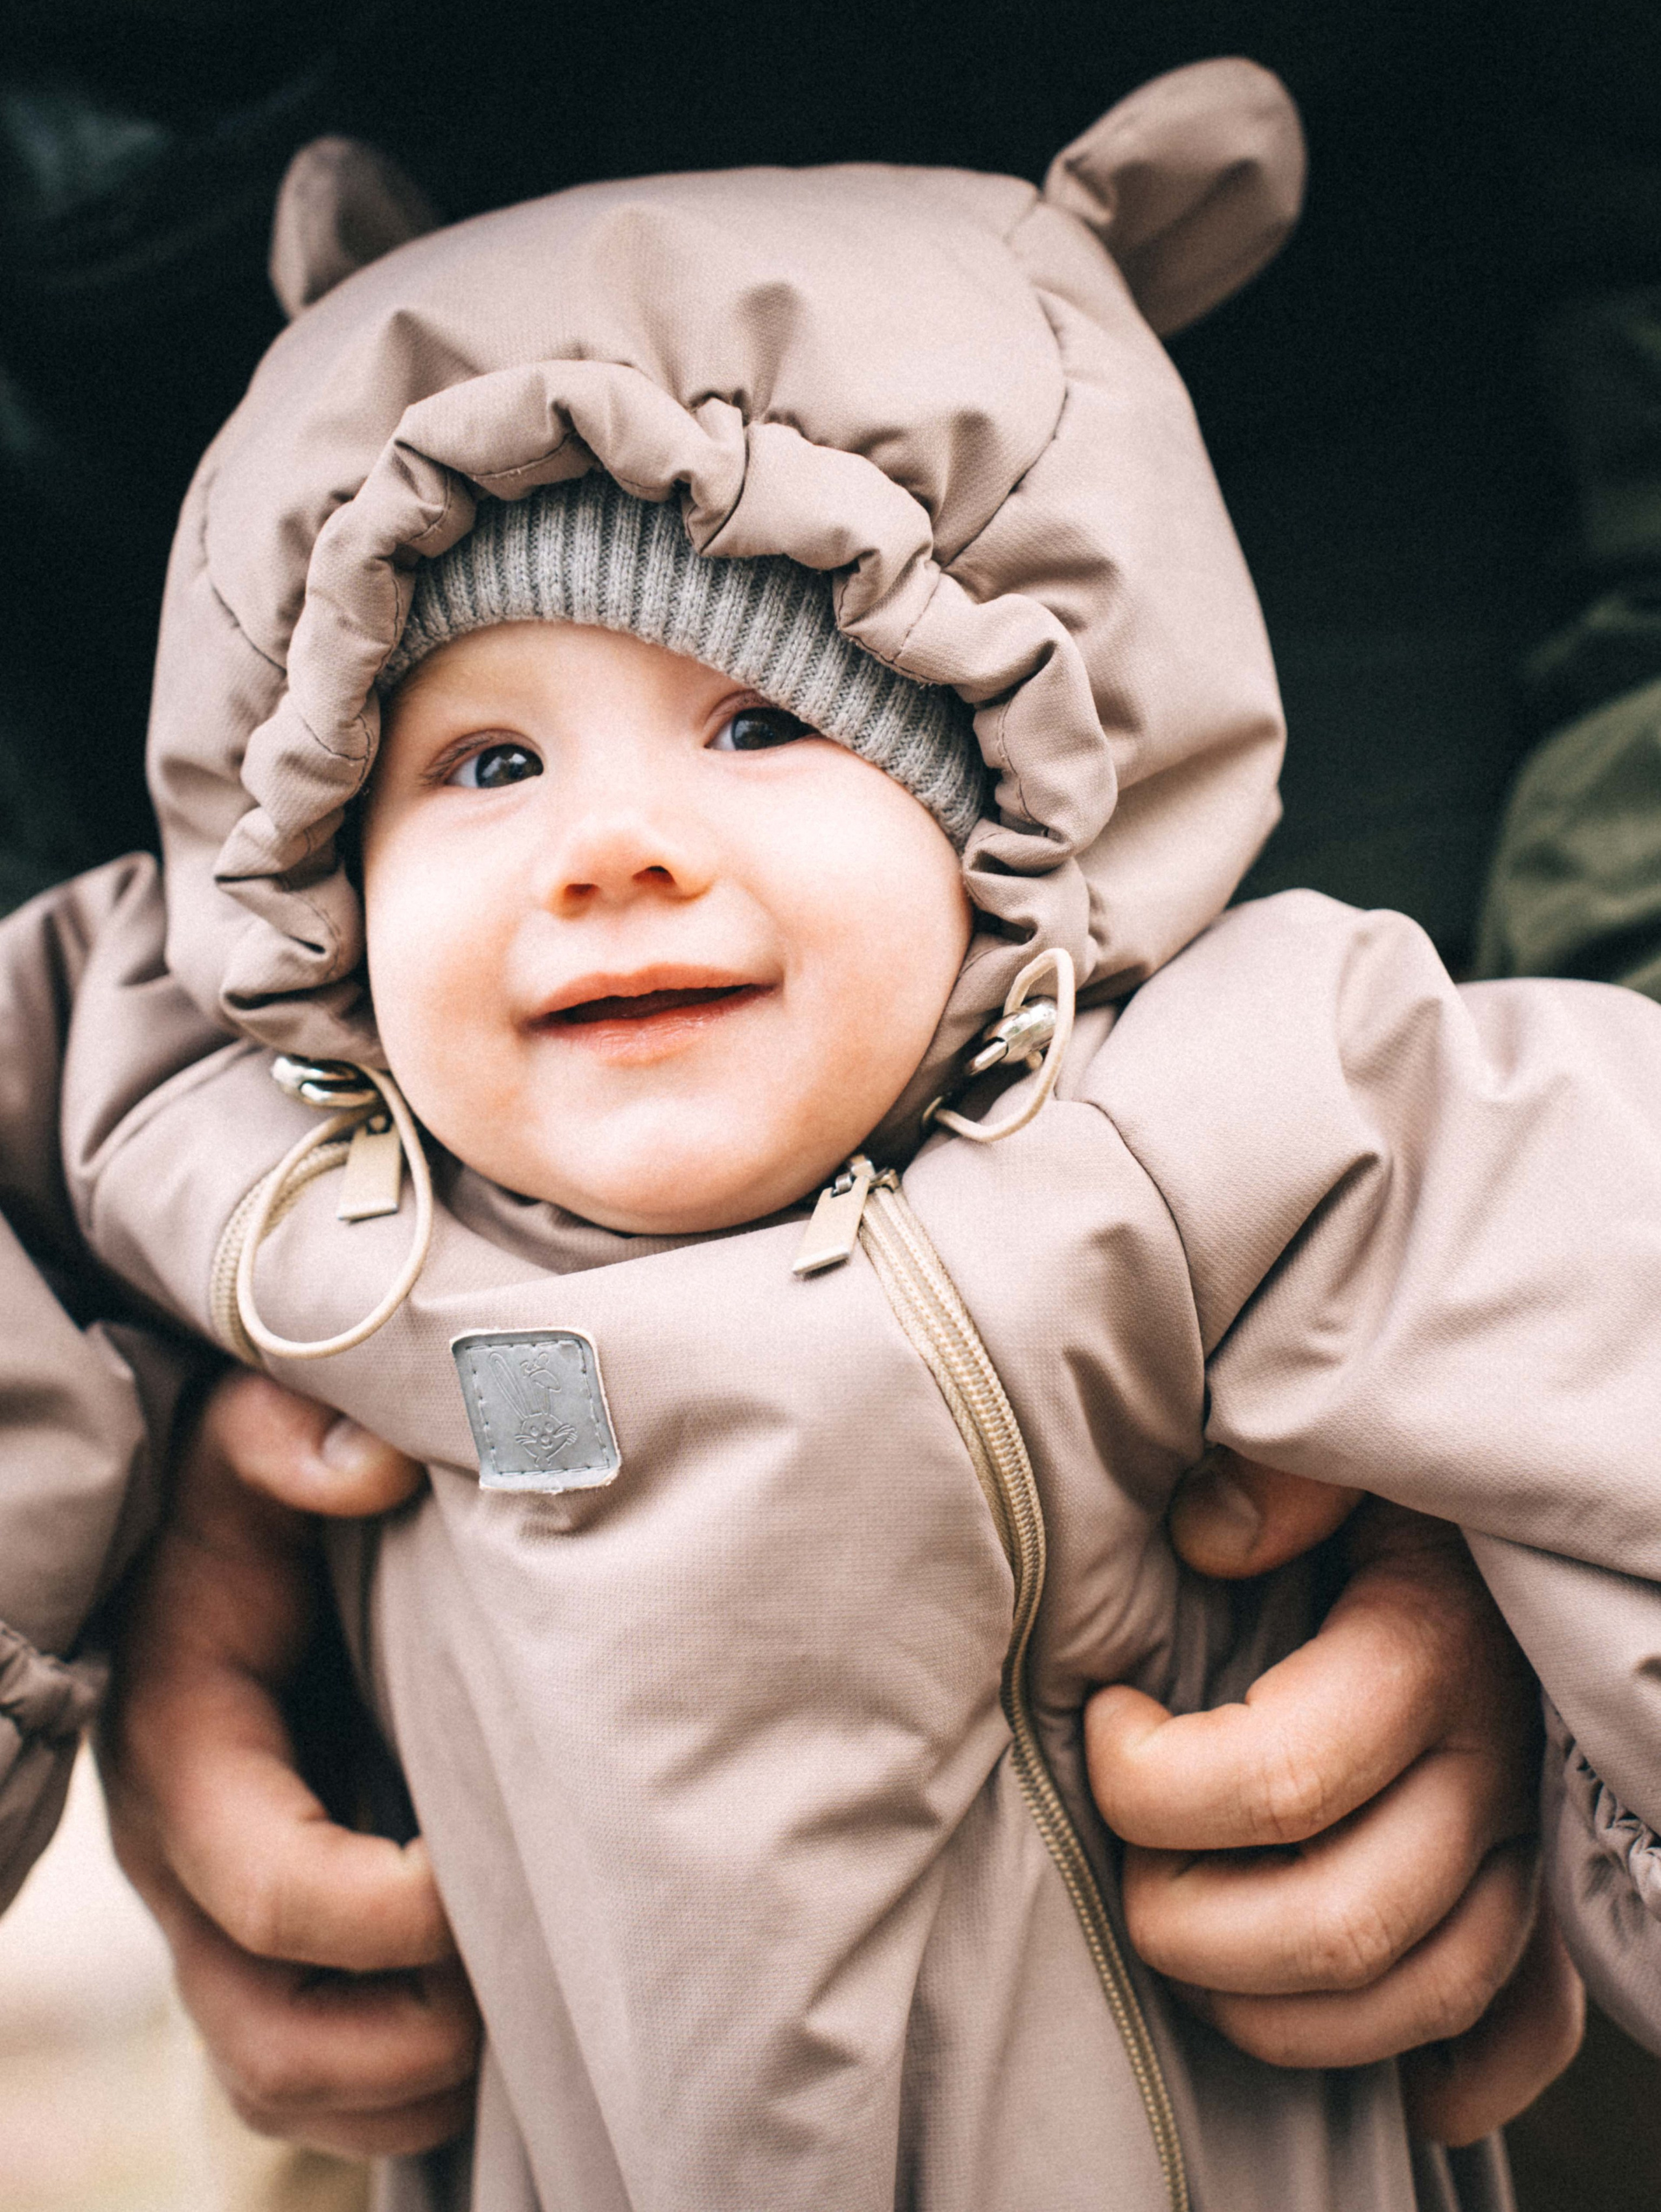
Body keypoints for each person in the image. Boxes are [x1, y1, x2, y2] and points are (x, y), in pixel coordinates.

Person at [3, 56, 1647, 2206]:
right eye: (486, 767)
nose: (607, 852)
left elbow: (1604, 1278)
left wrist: (1547, 1665)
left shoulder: (1202, 1130)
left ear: (1003, 810)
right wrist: (122, 1560)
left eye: (764, 724)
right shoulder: (265, 1185)